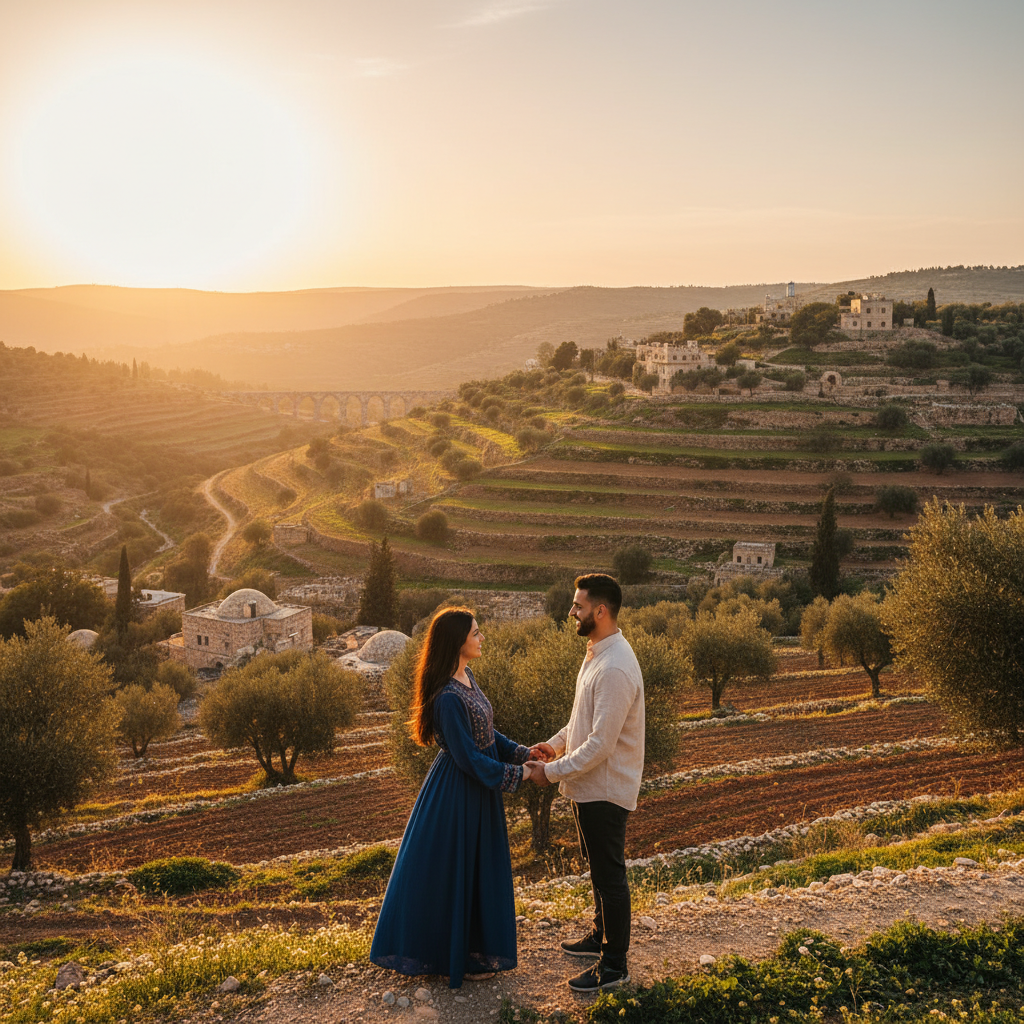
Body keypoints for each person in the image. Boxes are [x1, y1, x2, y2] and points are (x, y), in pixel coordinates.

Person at [370, 607, 545, 989]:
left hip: (479, 790)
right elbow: (468, 758)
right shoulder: (447, 698)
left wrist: (522, 752)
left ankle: (471, 951)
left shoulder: (467, 678)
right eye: (476, 633)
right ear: (457, 641)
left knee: (477, 868)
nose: (481, 638)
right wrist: (521, 774)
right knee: (455, 870)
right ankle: (453, 956)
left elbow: (488, 734)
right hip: (457, 793)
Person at [525, 573, 644, 993]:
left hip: (605, 790)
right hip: (589, 787)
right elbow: (582, 721)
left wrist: (550, 772)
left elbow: (600, 744)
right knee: (599, 871)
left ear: (601, 611)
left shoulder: (615, 667)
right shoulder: (597, 654)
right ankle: (600, 937)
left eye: (578, 606)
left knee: (610, 878)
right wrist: (554, 745)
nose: (571, 612)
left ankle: (614, 966)